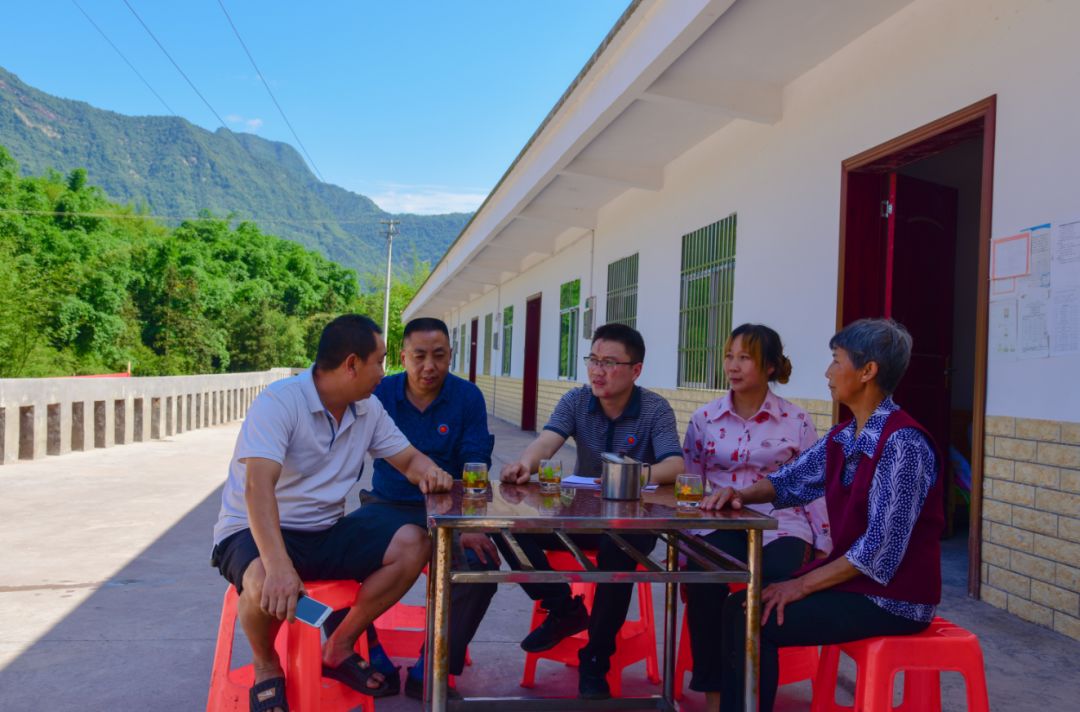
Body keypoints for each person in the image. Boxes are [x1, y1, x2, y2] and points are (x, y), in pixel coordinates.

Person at [210, 314, 453, 712]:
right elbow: (257, 488)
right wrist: (280, 566)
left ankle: (338, 646)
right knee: (261, 582)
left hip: (323, 531)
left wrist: (432, 474)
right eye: (380, 360)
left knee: (414, 543)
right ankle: (267, 664)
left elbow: (409, 460)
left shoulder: (367, 409)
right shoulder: (281, 402)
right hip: (253, 530)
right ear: (352, 364)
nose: (384, 371)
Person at [702, 318, 942, 712]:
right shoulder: (845, 436)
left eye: (836, 361)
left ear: (867, 372)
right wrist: (737, 494)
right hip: (858, 585)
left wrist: (803, 584)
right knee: (742, 609)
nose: (828, 373)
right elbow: (787, 482)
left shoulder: (904, 444)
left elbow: (877, 551)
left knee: (753, 618)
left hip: (894, 599)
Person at [499, 323, 684, 700]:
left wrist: (630, 475)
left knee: (620, 550)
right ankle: (562, 606)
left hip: (633, 520)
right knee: (506, 525)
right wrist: (525, 464)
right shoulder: (576, 400)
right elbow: (546, 443)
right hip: (580, 515)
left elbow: (675, 466)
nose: (598, 371)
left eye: (610, 363)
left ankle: (596, 658)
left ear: (636, 370)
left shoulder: (654, 409)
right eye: (593, 360)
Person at [336, 317, 499, 699]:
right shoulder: (379, 394)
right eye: (420, 356)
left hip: (448, 510)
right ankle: (367, 651)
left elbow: (476, 464)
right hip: (387, 505)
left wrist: (469, 522)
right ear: (403, 357)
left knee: (481, 568)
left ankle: (435, 663)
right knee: (336, 560)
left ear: (450, 356)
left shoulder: (467, 397)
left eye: (439, 356)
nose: (430, 367)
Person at [681, 323, 831, 711]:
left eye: (744, 357)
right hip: (719, 523)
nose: (733, 365)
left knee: (762, 593)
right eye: (729, 356)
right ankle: (715, 696)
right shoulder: (705, 418)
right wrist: (685, 539)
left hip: (783, 527)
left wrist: (823, 543)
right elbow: (690, 479)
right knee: (702, 579)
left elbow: (814, 484)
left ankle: (751, 700)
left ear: (769, 367)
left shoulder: (795, 420)